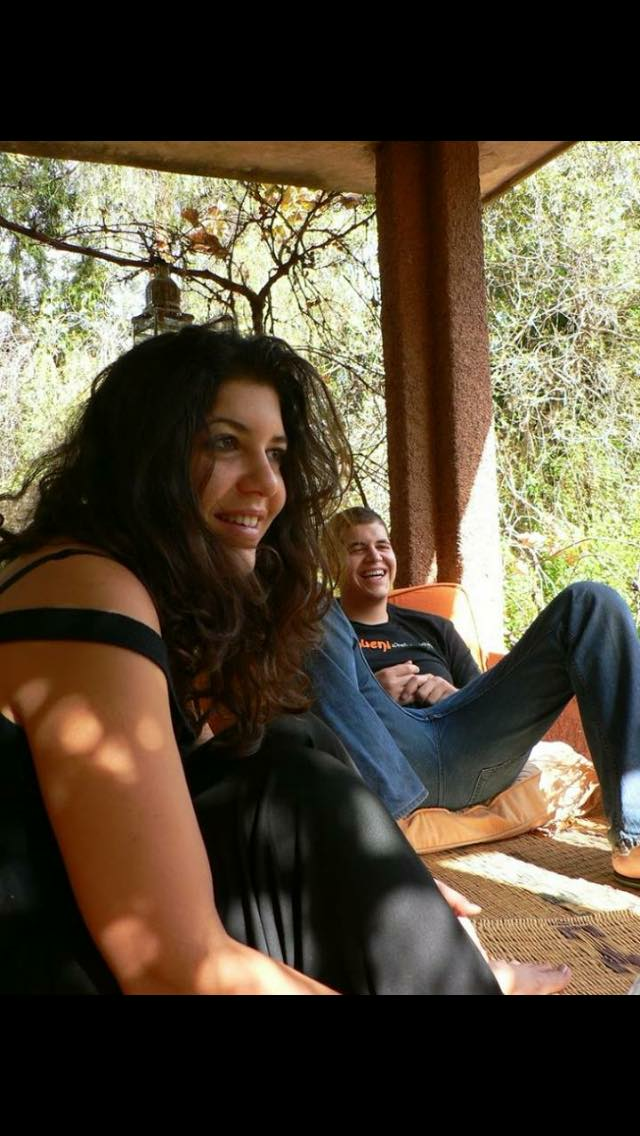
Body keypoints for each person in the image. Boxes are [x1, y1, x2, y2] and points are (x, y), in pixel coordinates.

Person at [0, 325, 523, 995]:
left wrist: (387, 888)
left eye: (276, 454)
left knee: (285, 745)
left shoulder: (141, 595)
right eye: (224, 443)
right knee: (293, 782)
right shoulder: (84, 587)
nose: (265, 484)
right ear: (145, 454)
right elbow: (170, 965)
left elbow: (234, 773)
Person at [309, 506, 640, 888]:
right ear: (332, 562)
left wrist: (452, 694)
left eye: (382, 545)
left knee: (591, 601)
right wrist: (371, 695)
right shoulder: (324, 629)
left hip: (469, 748)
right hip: (389, 750)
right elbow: (315, 710)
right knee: (310, 608)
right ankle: (388, 830)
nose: (374, 557)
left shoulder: (434, 627)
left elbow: (485, 697)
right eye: (357, 548)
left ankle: (633, 839)